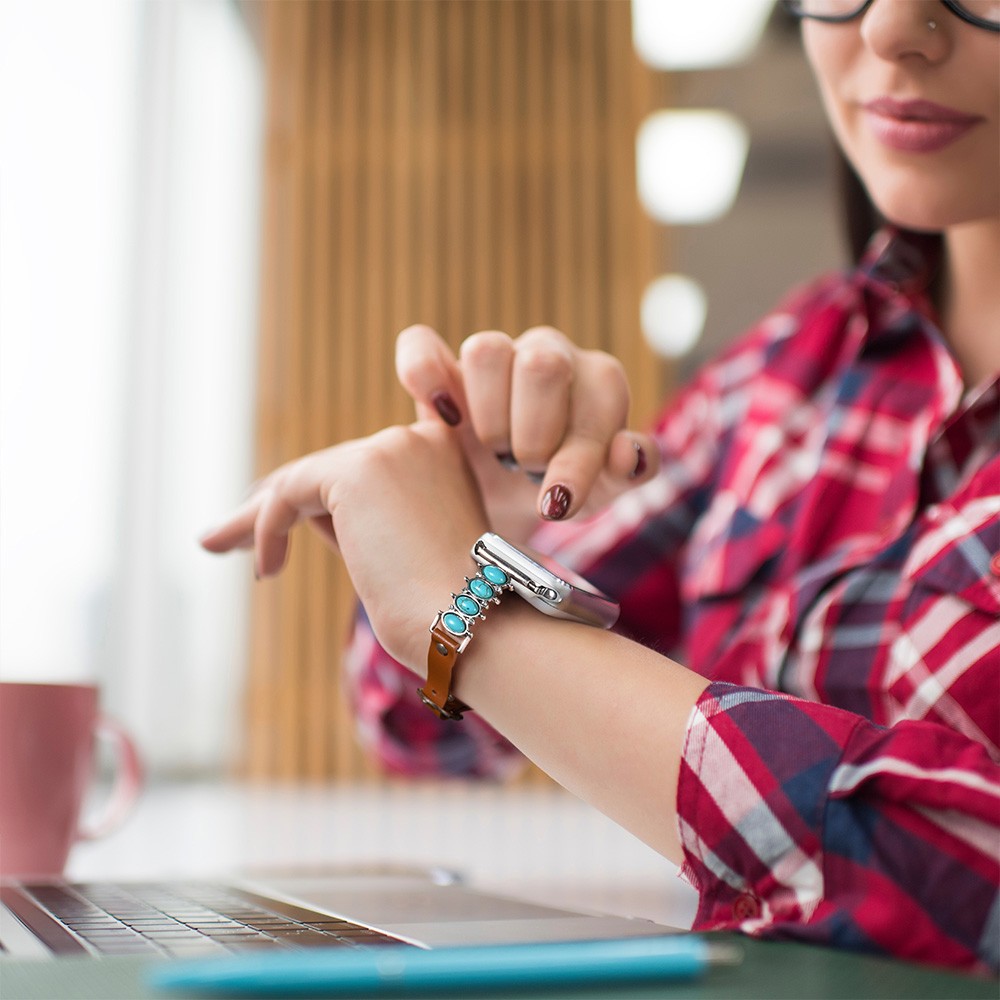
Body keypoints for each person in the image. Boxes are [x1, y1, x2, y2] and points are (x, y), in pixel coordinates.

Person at [201, 0, 1000, 973]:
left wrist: (476, 614)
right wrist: (497, 530)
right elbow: (420, 723)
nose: (888, 29)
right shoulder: (793, 368)